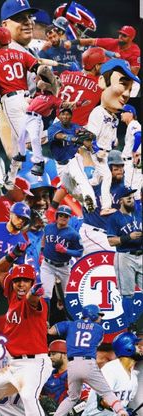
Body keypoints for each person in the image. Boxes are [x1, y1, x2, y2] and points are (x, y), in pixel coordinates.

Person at [0, 258, 52, 416]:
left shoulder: (38, 303)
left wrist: (35, 293)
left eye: (26, 281)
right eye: (18, 280)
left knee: (29, 397)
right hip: (14, 365)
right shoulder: (12, 294)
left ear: (32, 282)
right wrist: (12, 255)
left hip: (35, 363)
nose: (21, 284)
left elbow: (32, 299)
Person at [48, 304, 129, 416]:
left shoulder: (70, 324)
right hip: (88, 363)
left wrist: (48, 326)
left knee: (72, 397)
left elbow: (51, 331)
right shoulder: (99, 329)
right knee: (106, 392)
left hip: (72, 365)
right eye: (99, 315)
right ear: (93, 315)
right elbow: (97, 343)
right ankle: (121, 412)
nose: (100, 317)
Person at [0, 26, 38, 181]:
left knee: (23, 141)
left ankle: (50, 136)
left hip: (10, 101)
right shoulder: (22, 54)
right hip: (28, 98)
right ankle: (12, 177)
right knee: (16, 144)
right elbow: (38, 70)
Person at [87, 58, 140, 215]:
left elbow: (112, 134)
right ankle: (105, 207)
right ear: (103, 81)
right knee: (108, 177)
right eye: (123, 84)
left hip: (107, 152)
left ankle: (84, 187)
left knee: (96, 180)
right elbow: (90, 137)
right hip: (99, 151)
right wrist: (96, 150)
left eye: (130, 89)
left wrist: (114, 140)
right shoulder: (97, 112)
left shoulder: (115, 118)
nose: (126, 94)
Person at [12, 64, 62, 176]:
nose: (38, 80)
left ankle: (39, 163)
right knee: (21, 138)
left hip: (41, 122)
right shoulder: (38, 93)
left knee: (35, 140)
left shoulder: (52, 97)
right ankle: (22, 154)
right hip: (28, 116)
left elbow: (58, 110)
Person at [47, 105, 97, 210]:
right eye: (63, 114)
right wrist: (78, 139)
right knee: (71, 190)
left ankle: (91, 200)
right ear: (59, 116)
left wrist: (87, 134)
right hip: (60, 165)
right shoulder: (53, 128)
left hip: (73, 159)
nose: (65, 116)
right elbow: (62, 136)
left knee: (81, 179)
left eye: (68, 114)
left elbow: (92, 136)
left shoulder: (75, 127)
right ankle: (88, 203)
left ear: (71, 116)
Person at [82, 331, 142, 416]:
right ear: (127, 347)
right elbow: (104, 400)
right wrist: (121, 411)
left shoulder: (133, 378)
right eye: (136, 344)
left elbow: (123, 404)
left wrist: (126, 410)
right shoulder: (111, 369)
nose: (140, 347)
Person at [107, 186, 143, 330]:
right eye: (127, 196)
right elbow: (111, 241)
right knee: (128, 294)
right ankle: (130, 326)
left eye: (132, 196)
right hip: (124, 256)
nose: (130, 198)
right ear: (120, 200)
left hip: (141, 254)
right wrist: (129, 237)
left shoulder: (139, 213)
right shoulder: (114, 218)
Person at [79, 149, 126, 254]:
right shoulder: (94, 180)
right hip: (92, 231)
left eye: (122, 167)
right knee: (115, 255)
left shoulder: (123, 187)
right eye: (116, 167)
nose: (120, 170)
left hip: (109, 237)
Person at [40, 205, 83, 308]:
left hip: (63, 267)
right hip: (48, 265)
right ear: (57, 216)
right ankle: (45, 319)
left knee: (63, 297)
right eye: (61, 215)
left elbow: (79, 252)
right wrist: (42, 250)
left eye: (66, 216)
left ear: (69, 218)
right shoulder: (48, 227)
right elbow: (44, 238)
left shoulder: (73, 234)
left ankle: (61, 305)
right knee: (45, 294)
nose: (63, 218)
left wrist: (66, 250)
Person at [59, 47, 106, 126]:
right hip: (77, 128)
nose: (104, 66)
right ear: (97, 66)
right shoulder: (100, 84)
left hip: (57, 122)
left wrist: (78, 72)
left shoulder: (65, 74)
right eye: (103, 64)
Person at [65, 25, 140, 75]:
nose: (120, 36)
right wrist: (72, 42)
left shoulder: (135, 51)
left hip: (125, 79)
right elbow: (91, 41)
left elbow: (133, 73)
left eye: (124, 35)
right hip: (108, 76)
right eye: (120, 34)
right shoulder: (113, 42)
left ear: (131, 38)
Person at [41, 339, 68, 414]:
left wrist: (70, 412)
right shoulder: (48, 376)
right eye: (50, 355)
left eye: (54, 354)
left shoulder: (74, 375)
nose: (50, 357)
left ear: (65, 355)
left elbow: (86, 401)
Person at [120, 104, 141, 200]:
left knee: (133, 190)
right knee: (129, 189)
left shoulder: (134, 124)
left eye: (123, 112)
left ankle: (136, 214)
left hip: (131, 161)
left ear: (131, 113)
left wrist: (134, 151)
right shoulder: (131, 125)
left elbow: (139, 136)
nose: (121, 114)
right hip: (127, 162)